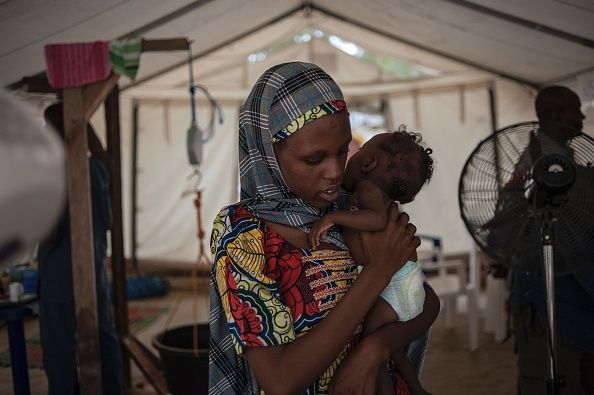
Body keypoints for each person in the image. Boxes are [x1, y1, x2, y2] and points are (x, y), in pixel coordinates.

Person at [209, 62, 440, 395]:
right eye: (314, 159)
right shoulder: (244, 232)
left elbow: (425, 300)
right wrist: (376, 273)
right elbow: (281, 380)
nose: (334, 171)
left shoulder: (352, 207)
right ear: (269, 153)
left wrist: (372, 351)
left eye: (343, 150)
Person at [309, 128, 434, 394]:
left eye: (355, 152)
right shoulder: (381, 198)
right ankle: (415, 388)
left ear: (367, 162)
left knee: (372, 341)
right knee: (390, 345)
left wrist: (333, 218)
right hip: (406, 287)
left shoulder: (367, 189)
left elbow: (376, 220)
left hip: (397, 287)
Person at [508, 86, 594, 394]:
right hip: (545, 294)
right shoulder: (544, 164)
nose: (582, 116)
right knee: (548, 377)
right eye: (575, 110)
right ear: (558, 116)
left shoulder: (561, 158)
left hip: (572, 295)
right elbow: (509, 228)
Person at [37, 102, 123, 395]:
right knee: (103, 340)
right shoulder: (96, 169)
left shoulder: (51, 174)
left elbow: (47, 234)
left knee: (60, 352)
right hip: (94, 277)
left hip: (60, 280)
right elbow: (109, 222)